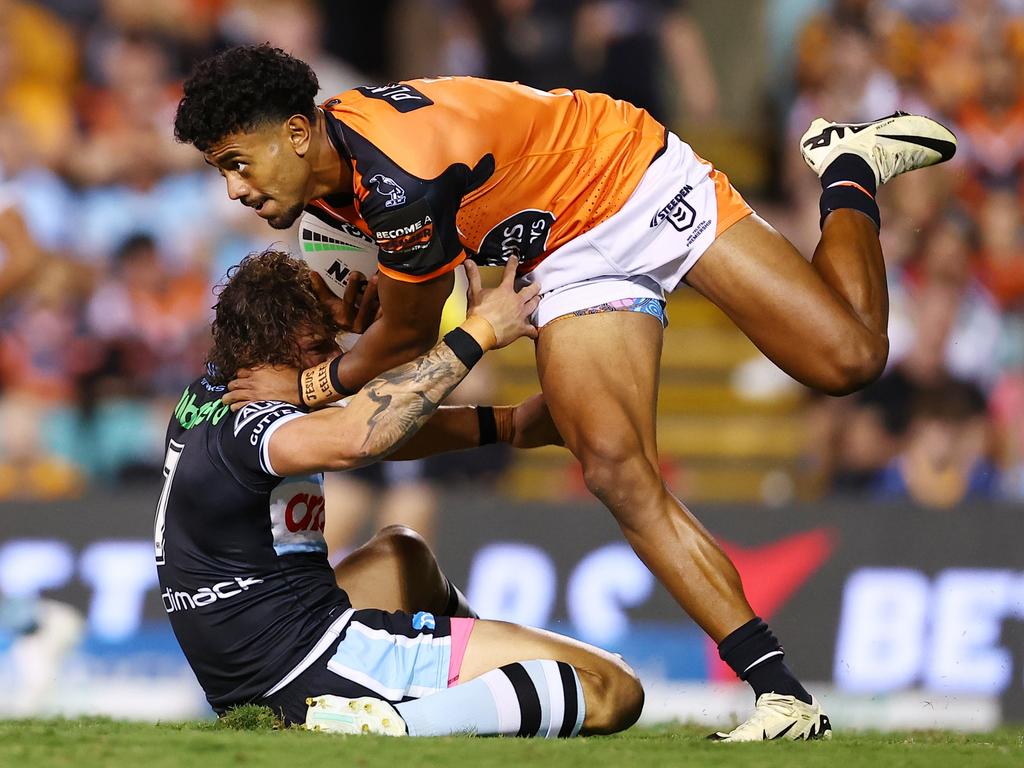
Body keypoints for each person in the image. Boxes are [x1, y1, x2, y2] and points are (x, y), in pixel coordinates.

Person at [173, 44, 957, 740]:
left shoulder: (394, 178)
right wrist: (350, 334)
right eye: (221, 170)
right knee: (613, 467)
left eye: (238, 162)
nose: (235, 189)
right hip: (558, 254)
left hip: (624, 174)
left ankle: (849, 168)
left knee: (848, 360)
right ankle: (782, 694)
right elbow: (376, 316)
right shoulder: (323, 186)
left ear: (299, 133)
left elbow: (407, 339)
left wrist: (308, 386)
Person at [155, 248, 643, 736]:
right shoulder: (256, 422)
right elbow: (359, 437)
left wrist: (508, 424)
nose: (333, 356)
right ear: (277, 347)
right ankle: (400, 722)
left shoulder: (213, 391)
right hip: (310, 660)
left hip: (254, 663)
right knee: (612, 687)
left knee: (403, 552)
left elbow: (374, 427)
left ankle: (480, 688)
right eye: (318, 344)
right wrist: (481, 331)